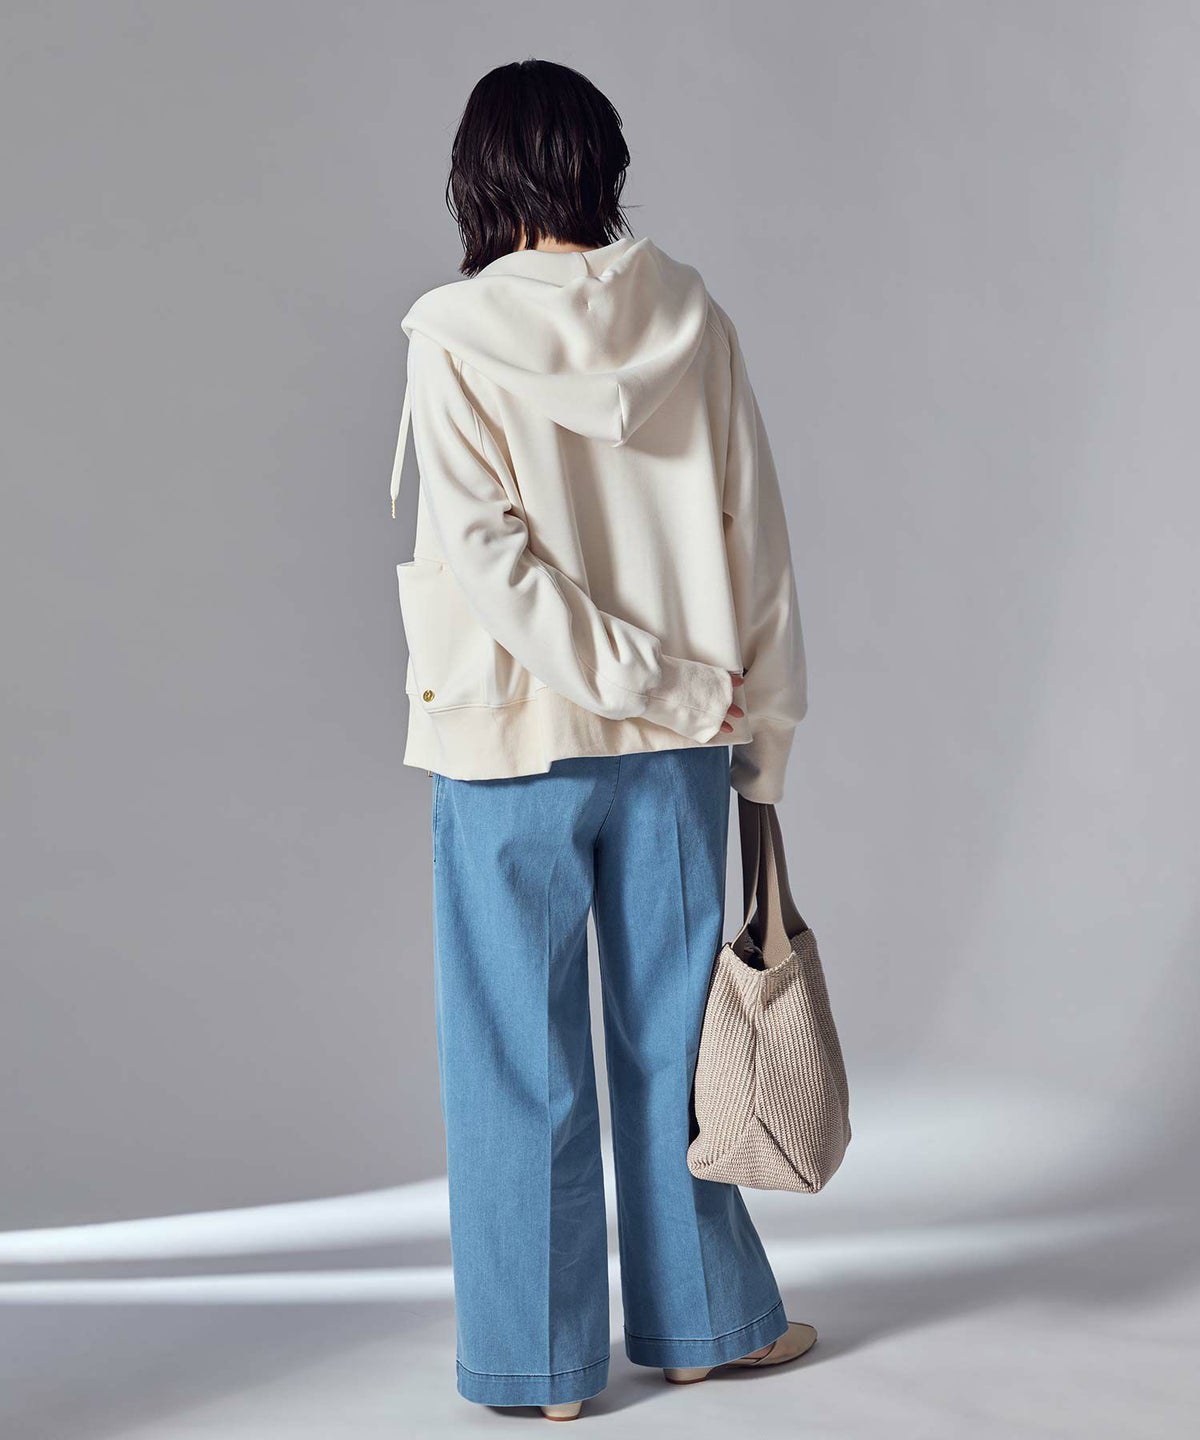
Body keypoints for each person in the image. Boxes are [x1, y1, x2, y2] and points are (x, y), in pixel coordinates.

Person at [389, 59, 814, 1421]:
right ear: (603, 165)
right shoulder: (690, 315)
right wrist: (746, 726)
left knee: (516, 1059)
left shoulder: (454, 332)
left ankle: (543, 1368)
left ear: (479, 176)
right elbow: (757, 540)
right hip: (683, 740)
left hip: (507, 742)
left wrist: (642, 686)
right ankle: (703, 1327)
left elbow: (493, 567)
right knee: (673, 1044)